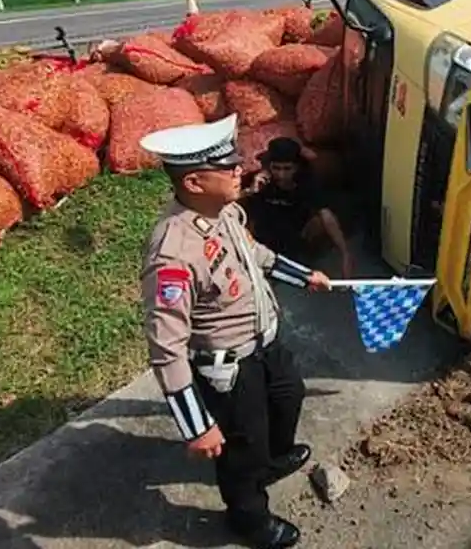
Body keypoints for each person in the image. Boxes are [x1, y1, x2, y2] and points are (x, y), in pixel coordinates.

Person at [139, 114, 330, 549]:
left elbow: (256, 254)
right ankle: (250, 520)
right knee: (241, 451)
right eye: (226, 167)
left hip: (265, 341)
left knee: (289, 396)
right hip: (229, 365)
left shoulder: (224, 211)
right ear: (194, 183)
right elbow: (166, 348)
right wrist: (197, 427)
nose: (239, 168)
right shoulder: (173, 252)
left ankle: (275, 459)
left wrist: (305, 277)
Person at [243, 136, 355, 278]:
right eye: (276, 168)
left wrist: (345, 254)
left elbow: (326, 215)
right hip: (265, 239)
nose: (281, 174)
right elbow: (235, 210)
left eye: (287, 169)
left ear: (296, 167)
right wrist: (250, 192)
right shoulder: (259, 181)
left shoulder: (307, 183)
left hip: (295, 237)